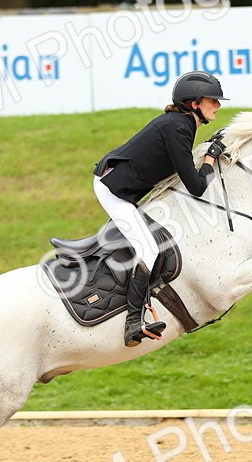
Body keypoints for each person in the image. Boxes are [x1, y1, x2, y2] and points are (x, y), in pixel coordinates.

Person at [94, 70, 228, 347]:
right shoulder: (178, 127)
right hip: (113, 190)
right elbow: (197, 186)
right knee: (149, 249)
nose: (218, 105)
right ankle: (133, 323)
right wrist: (210, 160)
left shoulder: (180, 124)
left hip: (122, 186)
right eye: (212, 100)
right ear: (194, 104)